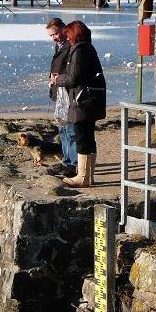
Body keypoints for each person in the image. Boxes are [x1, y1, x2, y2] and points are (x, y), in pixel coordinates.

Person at [51, 20, 107, 188]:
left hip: (83, 100)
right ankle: (88, 176)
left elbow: (74, 77)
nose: (66, 38)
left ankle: (82, 177)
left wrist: (57, 79)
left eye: (68, 35)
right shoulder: (87, 48)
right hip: (90, 99)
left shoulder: (80, 50)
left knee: (83, 137)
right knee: (88, 138)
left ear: (74, 34)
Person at [45, 17, 76, 178]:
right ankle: (66, 161)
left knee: (70, 130)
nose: (54, 38)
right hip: (59, 91)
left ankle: (73, 164)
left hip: (68, 93)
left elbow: (70, 71)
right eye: (51, 35)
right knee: (62, 129)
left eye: (55, 34)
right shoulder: (59, 46)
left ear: (63, 29)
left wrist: (57, 79)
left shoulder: (70, 45)